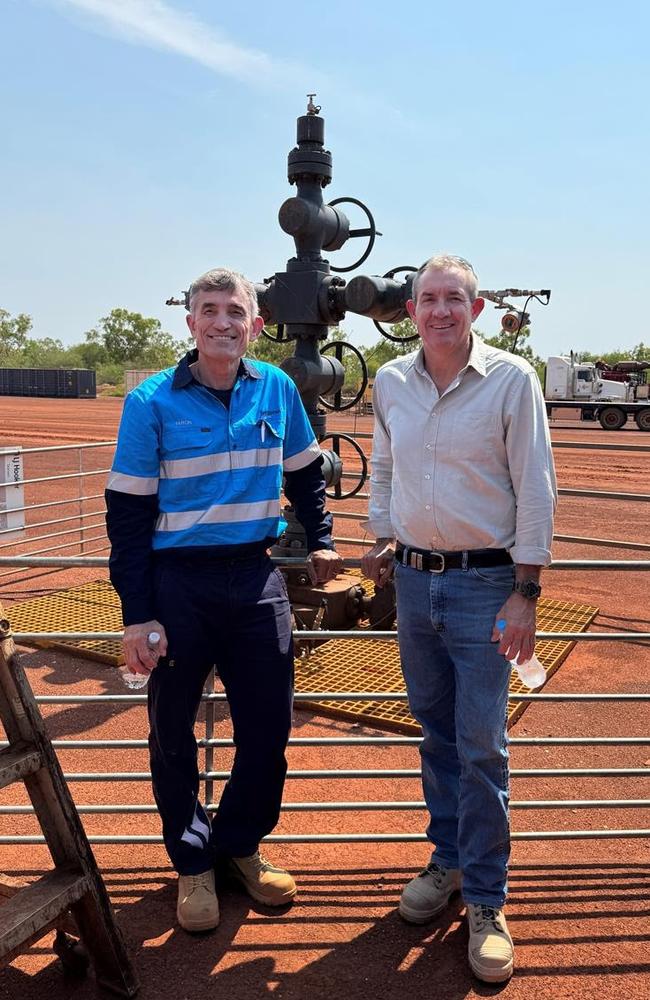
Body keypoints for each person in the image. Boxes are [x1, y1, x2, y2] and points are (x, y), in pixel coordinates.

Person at [106, 267, 342, 933]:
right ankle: (192, 863)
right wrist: (137, 613)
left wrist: (321, 538)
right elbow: (126, 516)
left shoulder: (278, 388)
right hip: (177, 584)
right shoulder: (150, 401)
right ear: (190, 323)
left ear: (256, 325)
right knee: (171, 731)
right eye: (208, 310)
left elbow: (304, 474)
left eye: (234, 311)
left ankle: (237, 844)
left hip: (256, 576)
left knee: (268, 728)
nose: (222, 322)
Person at [361, 254, 556, 983]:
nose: (439, 311)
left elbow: (535, 489)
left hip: (486, 586)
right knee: (436, 731)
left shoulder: (512, 380)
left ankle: (486, 897)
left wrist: (525, 593)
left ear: (475, 311)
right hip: (414, 582)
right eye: (427, 299)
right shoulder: (390, 382)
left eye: (454, 299)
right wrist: (383, 534)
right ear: (409, 312)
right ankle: (446, 858)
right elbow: (383, 467)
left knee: (481, 744)